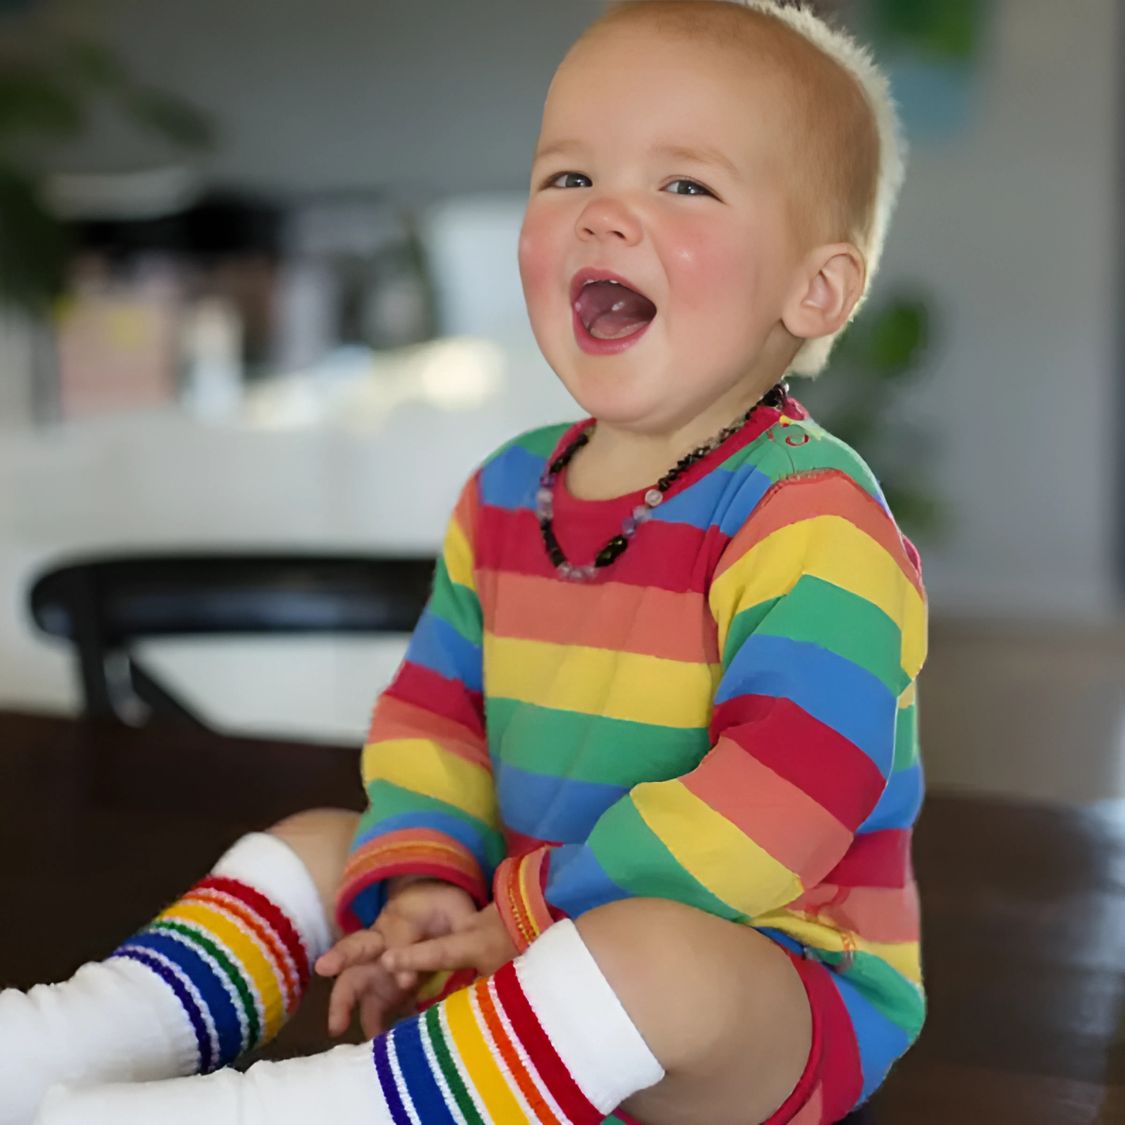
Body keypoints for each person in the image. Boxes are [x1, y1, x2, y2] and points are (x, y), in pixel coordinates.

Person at [2, 2, 927, 1122]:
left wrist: (539, 908)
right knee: (322, 843)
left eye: (685, 186)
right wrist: (426, 880)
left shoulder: (807, 518)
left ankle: (299, 1112)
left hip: (764, 996)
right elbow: (435, 723)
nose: (606, 217)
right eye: (569, 178)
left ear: (816, 289)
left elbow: (789, 795)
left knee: (657, 957)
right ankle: (66, 1048)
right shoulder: (505, 493)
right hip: (523, 931)